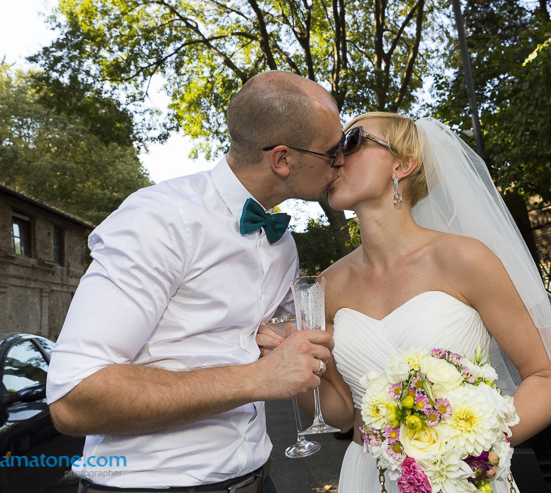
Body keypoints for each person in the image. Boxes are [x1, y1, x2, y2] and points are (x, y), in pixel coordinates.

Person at [262, 113, 551, 493]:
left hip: (461, 478)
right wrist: (289, 359)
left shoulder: (466, 259)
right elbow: (342, 414)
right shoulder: (327, 285)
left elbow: (550, 380)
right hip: (370, 478)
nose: (335, 157)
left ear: (403, 164)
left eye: (351, 142)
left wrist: (462, 454)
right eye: (334, 149)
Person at [46, 71, 344, 492]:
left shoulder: (283, 245)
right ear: (282, 160)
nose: (342, 160)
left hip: (259, 480)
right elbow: (73, 399)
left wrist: (277, 338)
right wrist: (257, 379)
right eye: (333, 151)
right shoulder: (160, 218)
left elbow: (252, 342)